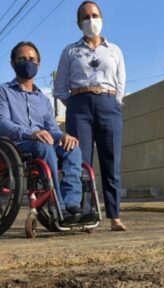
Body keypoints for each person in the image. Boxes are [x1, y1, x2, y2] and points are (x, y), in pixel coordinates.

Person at [54, 1, 126, 231]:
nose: (90, 20)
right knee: (81, 162)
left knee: (111, 161)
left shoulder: (114, 50)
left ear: (102, 18)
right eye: (85, 17)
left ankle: (114, 216)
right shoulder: (70, 51)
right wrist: (76, 103)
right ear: (78, 23)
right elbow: (60, 87)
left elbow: (121, 83)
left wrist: (112, 102)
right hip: (79, 108)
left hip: (108, 105)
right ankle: (84, 214)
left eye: (94, 15)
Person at [0, 41, 83, 224]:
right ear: (12, 63)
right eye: (22, 59)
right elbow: (1, 124)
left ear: (38, 64)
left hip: (44, 142)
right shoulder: (2, 92)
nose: (28, 62)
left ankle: (73, 203)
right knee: (45, 147)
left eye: (32, 59)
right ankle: (58, 206)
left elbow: (51, 129)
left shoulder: (43, 99)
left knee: (73, 148)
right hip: (17, 144)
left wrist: (63, 136)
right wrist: (29, 133)